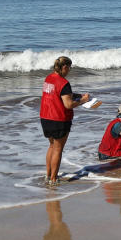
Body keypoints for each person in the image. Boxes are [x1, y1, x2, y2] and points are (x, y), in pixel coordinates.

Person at [40, 56, 93, 184]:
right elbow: (68, 104)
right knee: (58, 149)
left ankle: (48, 175)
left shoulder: (48, 78)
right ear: (64, 67)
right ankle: (53, 179)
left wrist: (78, 95)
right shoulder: (64, 83)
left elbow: (58, 94)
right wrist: (83, 101)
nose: (69, 71)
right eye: (69, 68)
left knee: (52, 146)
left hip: (45, 117)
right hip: (59, 119)